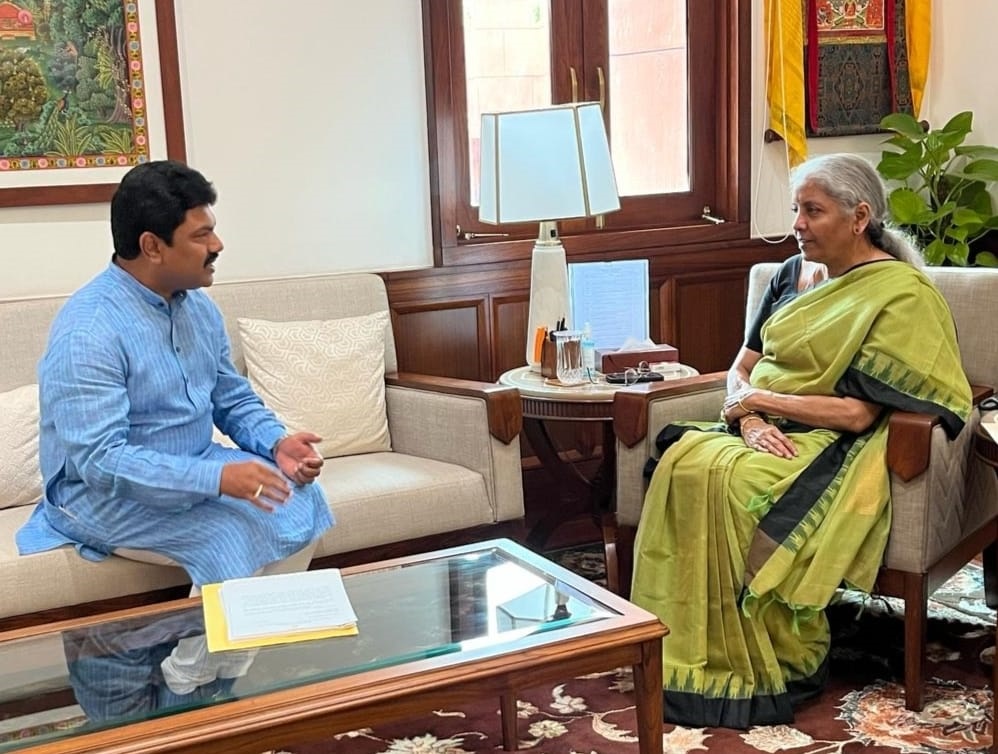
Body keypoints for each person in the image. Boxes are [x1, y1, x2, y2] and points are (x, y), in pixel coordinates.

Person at [629, 153, 972, 729]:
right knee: (684, 465)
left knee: (738, 484)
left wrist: (761, 402)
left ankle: (776, 651)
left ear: (859, 217)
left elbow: (857, 414)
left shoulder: (899, 295)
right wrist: (747, 420)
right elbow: (741, 368)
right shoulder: (790, 274)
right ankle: (679, 647)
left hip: (829, 440)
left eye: (813, 211)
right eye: (796, 210)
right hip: (756, 425)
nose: (798, 224)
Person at [17, 159, 333, 701]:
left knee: (301, 500)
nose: (218, 245)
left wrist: (277, 443)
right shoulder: (89, 330)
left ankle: (213, 675)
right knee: (229, 534)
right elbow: (100, 461)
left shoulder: (198, 309)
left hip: (191, 465)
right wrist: (217, 480)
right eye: (201, 234)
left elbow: (231, 397)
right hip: (97, 495)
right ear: (152, 246)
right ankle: (187, 687)